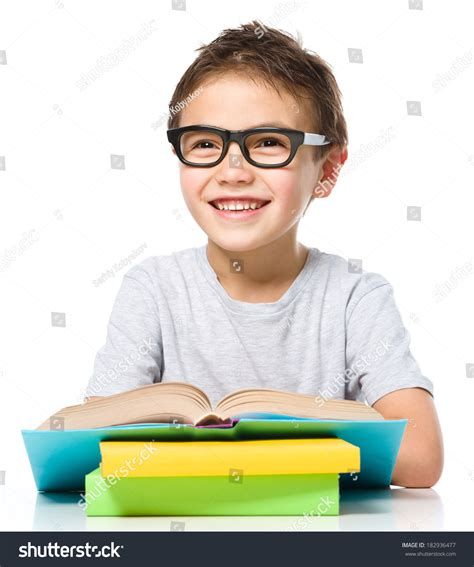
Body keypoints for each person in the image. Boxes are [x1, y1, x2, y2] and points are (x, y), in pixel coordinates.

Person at [85, 20, 443, 488]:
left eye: (269, 143)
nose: (232, 171)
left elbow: (420, 457)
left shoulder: (357, 299)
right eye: (206, 144)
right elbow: (91, 447)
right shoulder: (152, 290)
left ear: (328, 168)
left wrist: (250, 437)